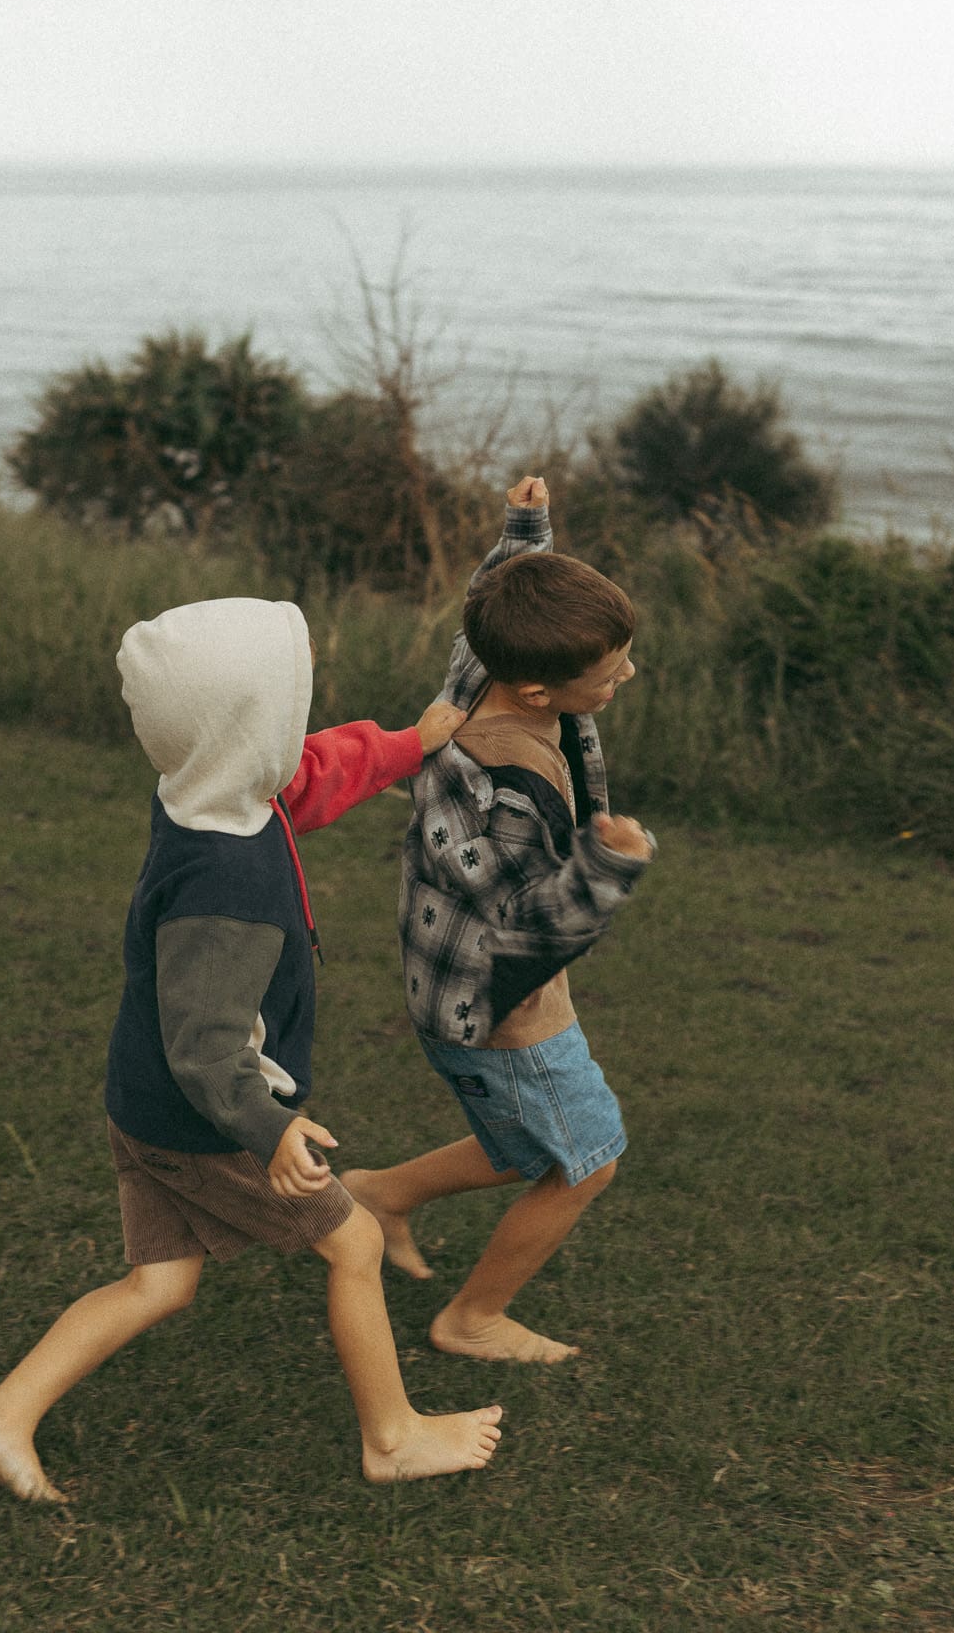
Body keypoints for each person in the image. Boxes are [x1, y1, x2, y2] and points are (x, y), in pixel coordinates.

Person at [0, 596, 503, 1499]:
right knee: (354, 1242)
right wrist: (269, 1129)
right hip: (207, 1120)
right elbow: (207, 1047)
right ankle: (393, 1437)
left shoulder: (208, 796)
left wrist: (409, 742)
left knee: (159, 1284)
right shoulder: (231, 883)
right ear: (252, 728)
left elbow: (312, 773)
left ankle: (0, 1418)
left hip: (144, 1104)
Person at [345, 476, 654, 1365]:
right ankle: (471, 1319)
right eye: (608, 673)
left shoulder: (481, 675)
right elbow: (535, 926)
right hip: (500, 1004)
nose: (624, 675)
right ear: (533, 690)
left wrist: (525, 537)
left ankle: (376, 1194)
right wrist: (609, 863)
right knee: (586, 1157)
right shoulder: (506, 797)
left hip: (447, 977)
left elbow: (489, 611)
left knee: (519, 1141)